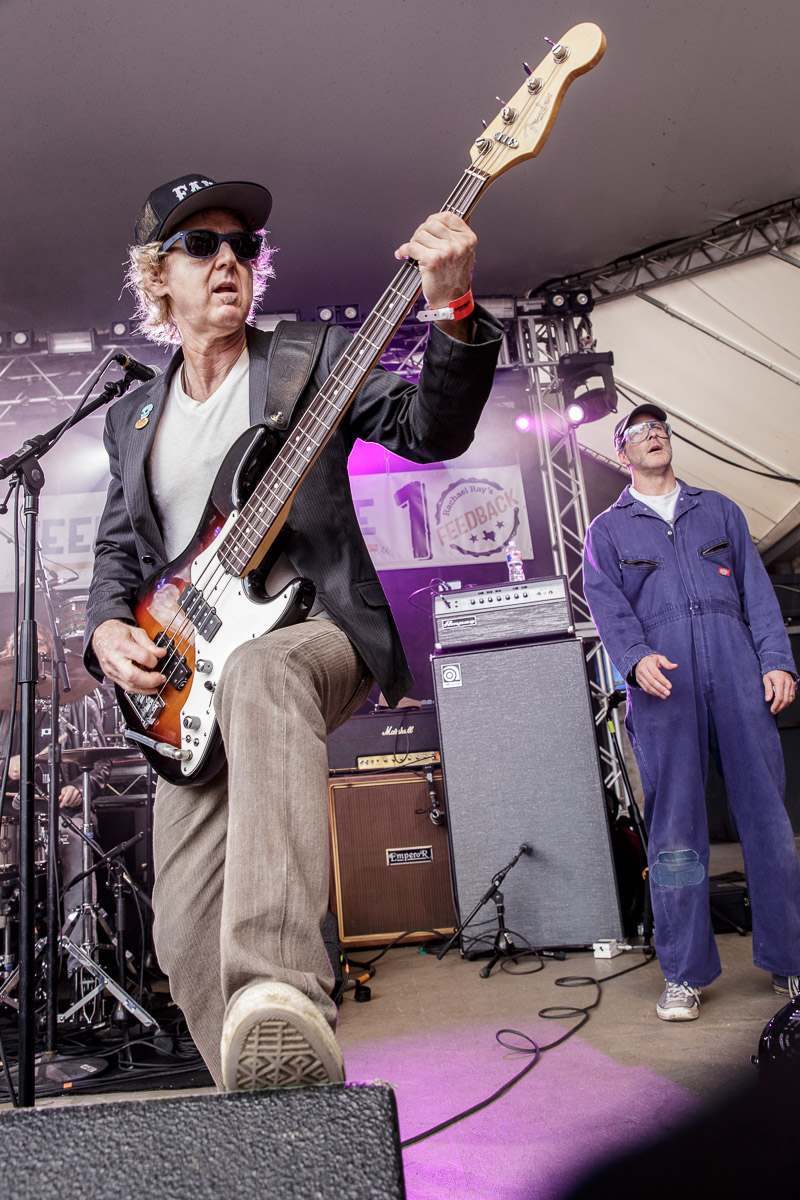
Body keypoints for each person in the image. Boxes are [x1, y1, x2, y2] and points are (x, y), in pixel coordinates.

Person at [83, 173, 502, 1087]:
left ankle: (280, 985)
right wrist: (109, 629)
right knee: (183, 934)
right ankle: (275, 1110)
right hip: (191, 681)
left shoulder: (307, 360)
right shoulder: (131, 419)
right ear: (157, 277)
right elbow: (118, 554)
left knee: (264, 674)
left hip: (314, 632)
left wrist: (453, 310)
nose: (228, 259)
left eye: (243, 245)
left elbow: (430, 430)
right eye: (201, 246)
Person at [583, 403, 800, 1021]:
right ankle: (683, 974)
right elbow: (607, 606)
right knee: (676, 832)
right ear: (623, 454)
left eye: (660, 428)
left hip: (737, 672)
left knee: (768, 822)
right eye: (638, 432)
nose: (653, 435)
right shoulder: (608, 530)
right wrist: (634, 659)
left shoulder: (720, 510)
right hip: (664, 684)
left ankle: (791, 960)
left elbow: (757, 593)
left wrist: (776, 660)